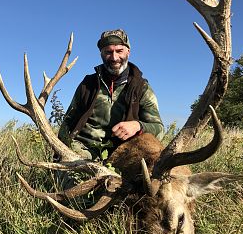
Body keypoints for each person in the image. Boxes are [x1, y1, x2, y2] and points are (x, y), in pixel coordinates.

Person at [58, 29, 164, 160]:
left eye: (119, 51)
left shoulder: (142, 88)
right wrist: (62, 150)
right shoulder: (87, 85)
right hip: (83, 151)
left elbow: (159, 129)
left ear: (128, 52)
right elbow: (68, 122)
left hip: (122, 156)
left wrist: (138, 126)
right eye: (108, 52)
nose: (114, 58)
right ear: (101, 54)